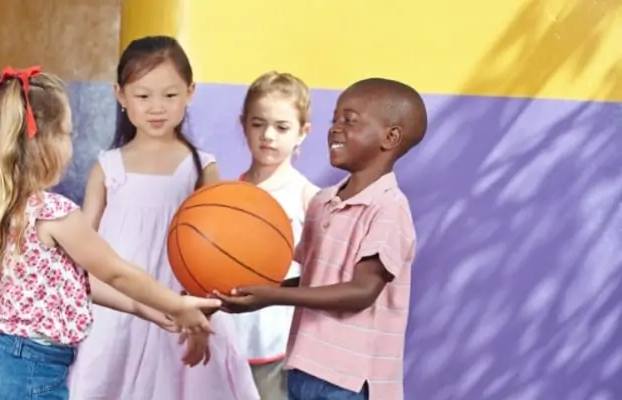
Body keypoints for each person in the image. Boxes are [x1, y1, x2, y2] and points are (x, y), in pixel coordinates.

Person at [0, 65, 220, 400]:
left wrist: (146, 309)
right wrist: (177, 304)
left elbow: (74, 282)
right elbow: (116, 272)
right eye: (66, 134)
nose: (70, 146)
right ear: (41, 143)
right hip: (32, 373)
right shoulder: (55, 214)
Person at [67, 36, 259, 400]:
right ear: (120, 95)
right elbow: (82, 250)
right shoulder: (107, 168)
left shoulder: (201, 166)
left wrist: (204, 318)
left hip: (183, 309)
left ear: (190, 92)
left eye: (170, 95)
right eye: (143, 96)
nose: (157, 107)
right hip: (117, 311)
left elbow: (217, 254)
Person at [217, 78, 429, 400]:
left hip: (351, 380)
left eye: (350, 121)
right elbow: (313, 280)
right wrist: (256, 295)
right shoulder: (323, 202)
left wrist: (272, 297)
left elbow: (362, 291)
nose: (336, 129)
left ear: (390, 137)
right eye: (335, 119)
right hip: (304, 366)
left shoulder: (389, 208)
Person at [233, 71, 319, 399]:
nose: (268, 135)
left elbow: (319, 277)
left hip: (279, 345)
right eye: (258, 123)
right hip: (227, 340)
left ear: (302, 133)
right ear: (244, 124)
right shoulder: (225, 196)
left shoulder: (308, 198)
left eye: (282, 127)